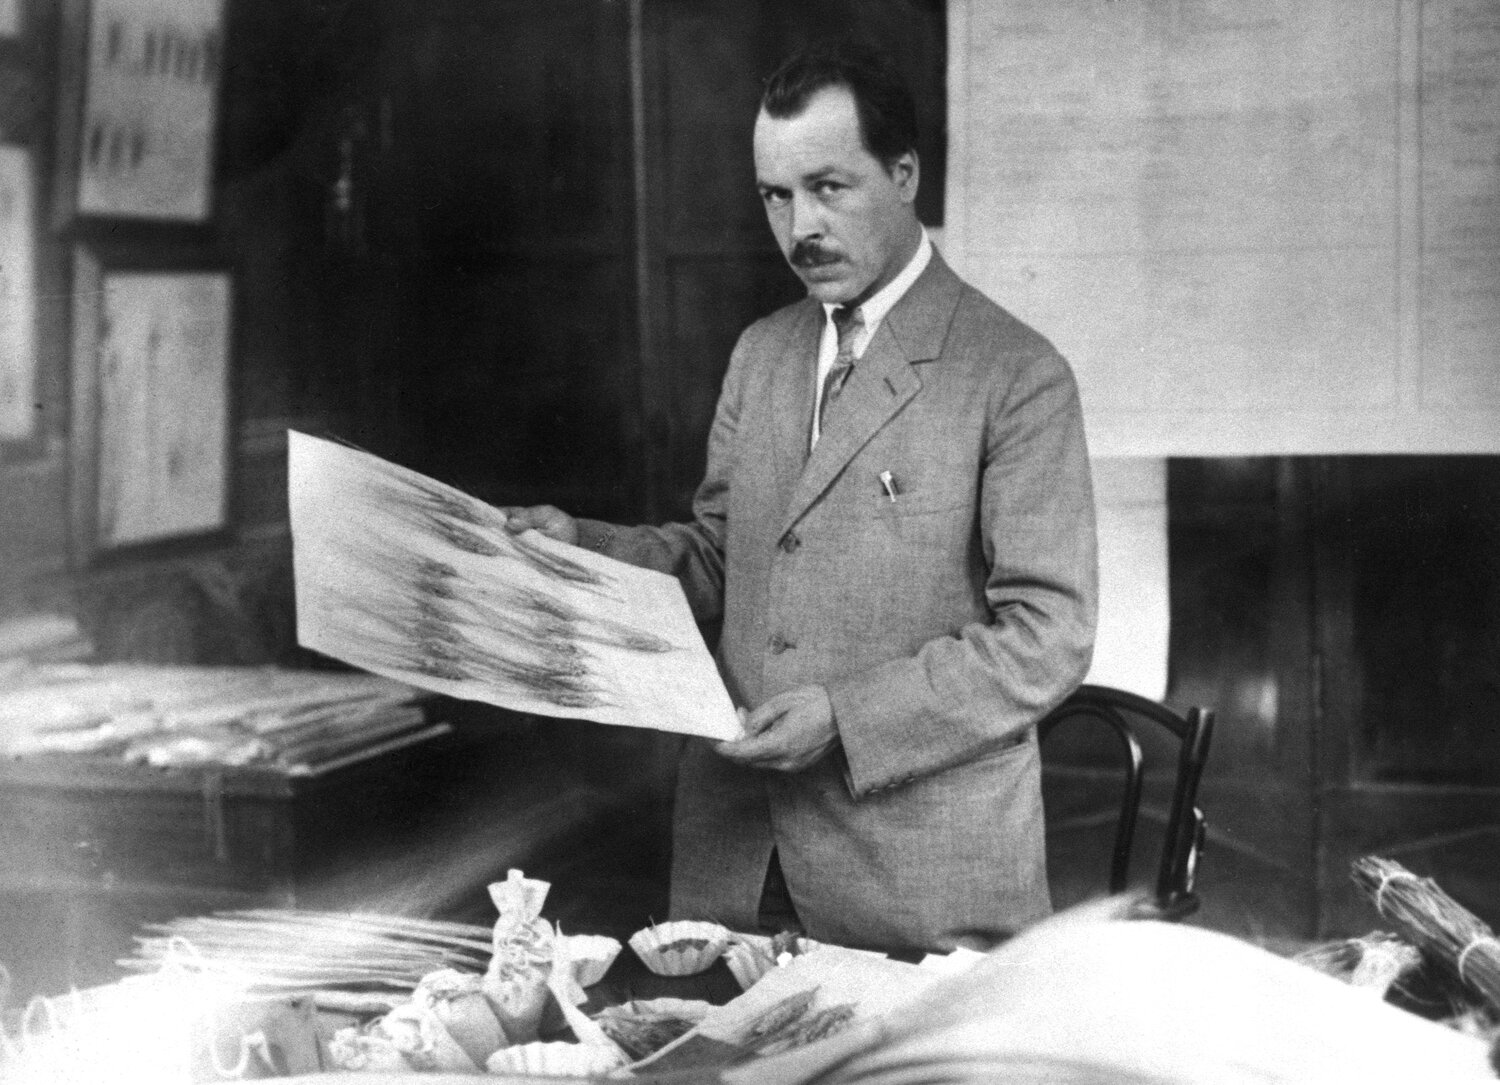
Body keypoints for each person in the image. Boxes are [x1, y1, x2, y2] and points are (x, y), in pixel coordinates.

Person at [503, 39, 1096, 954]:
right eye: (776, 196)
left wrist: (844, 717)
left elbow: (1047, 638)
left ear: (904, 174)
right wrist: (577, 546)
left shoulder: (1015, 373)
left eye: (828, 187)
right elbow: (718, 554)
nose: (799, 228)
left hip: (915, 883)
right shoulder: (763, 352)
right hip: (734, 858)